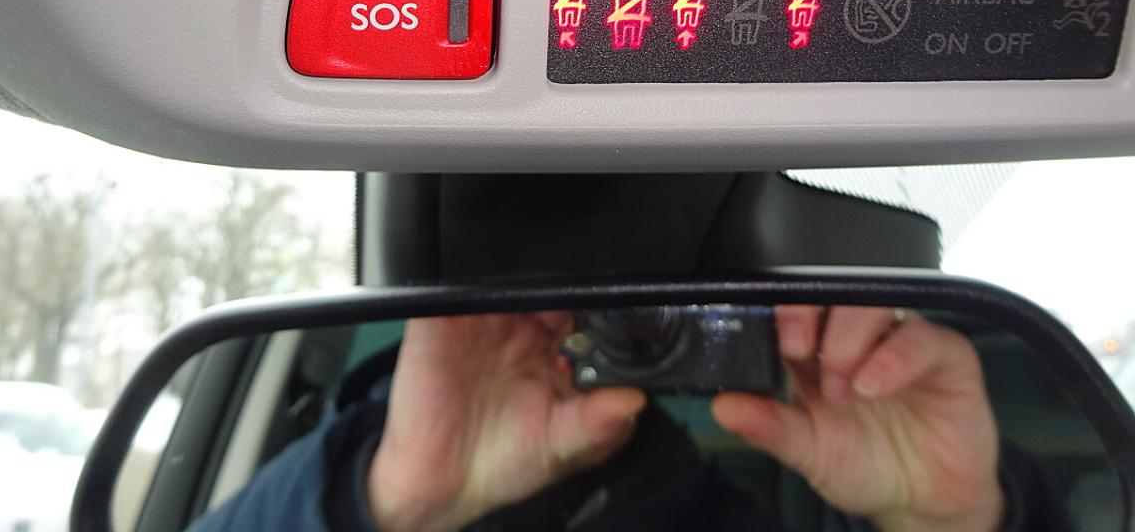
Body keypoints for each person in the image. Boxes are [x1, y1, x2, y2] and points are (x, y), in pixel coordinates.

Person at [189, 307, 1070, 532]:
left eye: (674, 307)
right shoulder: (386, 464)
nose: (640, 324)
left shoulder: (720, 517)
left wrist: (948, 522)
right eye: (597, 307)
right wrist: (394, 496)